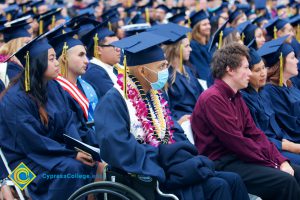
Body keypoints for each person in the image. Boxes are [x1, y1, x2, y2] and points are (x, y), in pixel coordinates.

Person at [94, 31, 250, 200]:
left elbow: (173, 129)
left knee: (233, 179)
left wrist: (181, 154)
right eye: (161, 67)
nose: (165, 71)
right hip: (147, 174)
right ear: (142, 71)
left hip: (170, 165)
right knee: (218, 186)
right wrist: (164, 156)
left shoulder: (156, 95)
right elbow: (117, 148)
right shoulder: (114, 101)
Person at [191, 42, 300, 200]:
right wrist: (273, 164)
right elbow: (236, 142)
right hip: (223, 162)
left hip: (239, 157)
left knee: (296, 171)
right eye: (246, 68)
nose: (250, 73)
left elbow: (255, 133)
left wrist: (281, 160)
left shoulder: (236, 96)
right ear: (230, 69)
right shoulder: (212, 98)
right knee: (285, 181)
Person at [0, 37, 96, 199]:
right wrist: (71, 154)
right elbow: (31, 141)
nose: (57, 62)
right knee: (72, 169)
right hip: (21, 163)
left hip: (53, 153)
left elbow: (69, 122)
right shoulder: (14, 98)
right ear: (37, 63)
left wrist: (80, 148)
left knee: (87, 161)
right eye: (51, 59)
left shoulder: (53, 86)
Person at [241, 47, 300, 165]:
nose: (263, 73)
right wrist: (289, 145)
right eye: (257, 70)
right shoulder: (246, 99)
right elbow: (256, 136)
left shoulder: (263, 93)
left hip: (282, 142)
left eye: (263, 68)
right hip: (269, 149)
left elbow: (277, 128)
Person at [261, 37, 300, 150]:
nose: (297, 61)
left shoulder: (289, 84)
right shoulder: (270, 91)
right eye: (293, 58)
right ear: (281, 62)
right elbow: (290, 126)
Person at [81, 23, 121, 98]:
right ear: (98, 49)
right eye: (114, 46)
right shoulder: (94, 73)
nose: (119, 49)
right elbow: (117, 99)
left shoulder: (113, 67)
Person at [188, 10, 212, 82]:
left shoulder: (209, 41)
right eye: (204, 25)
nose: (208, 26)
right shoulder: (193, 45)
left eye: (208, 23)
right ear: (197, 28)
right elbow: (202, 69)